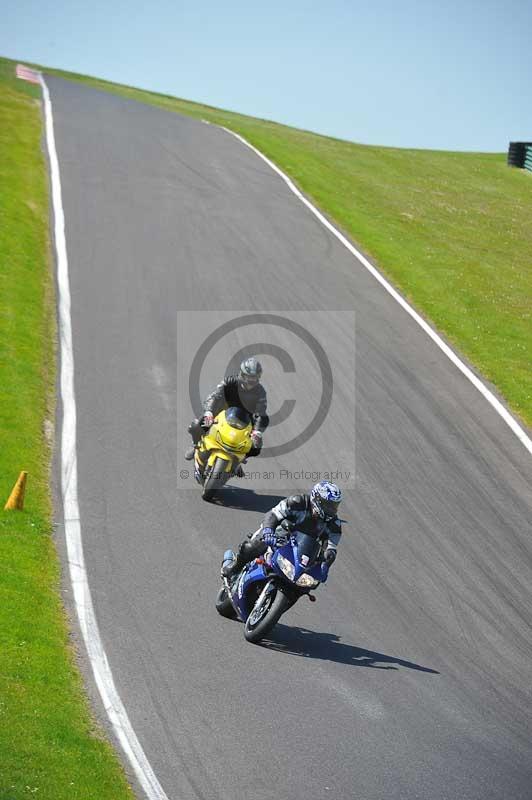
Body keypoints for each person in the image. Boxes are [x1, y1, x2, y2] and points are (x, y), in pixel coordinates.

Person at [221, 481, 343, 581]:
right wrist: (268, 530)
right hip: (278, 536)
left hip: (301, 553)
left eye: (334, 506)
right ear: (317, 499)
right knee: (252, 547)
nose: (332, 509)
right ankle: (233, 567)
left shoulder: (334, 525)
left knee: (306, 583)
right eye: (329, 505)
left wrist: (326, 564)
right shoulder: (298, 502)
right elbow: (273, 514)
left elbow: (330, 548)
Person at [185, 357, 269, 461]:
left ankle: (240, 459)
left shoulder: (261, 392)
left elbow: (261, 412)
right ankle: (195, 445)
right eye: (249, 378)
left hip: (245, 420)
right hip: (221, 412)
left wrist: (257, 431)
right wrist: (209, 412)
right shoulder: (229, 382)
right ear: (242, 375)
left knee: (256, 446)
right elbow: (215, 396)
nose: (252, 381)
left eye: (255, 378)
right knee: (197, 425)